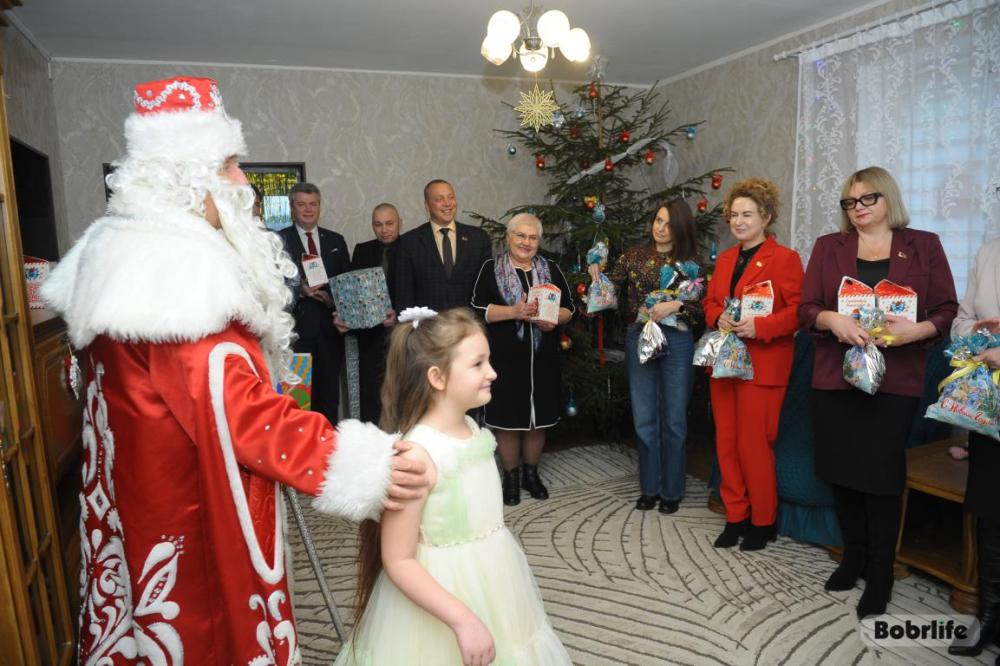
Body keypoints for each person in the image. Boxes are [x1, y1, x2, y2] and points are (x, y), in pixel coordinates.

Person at [39, 76, 427, 665]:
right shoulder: (174, 278)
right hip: (188, 510)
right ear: (187, 177)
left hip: (146, 494)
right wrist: (367, 463)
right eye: (229, 165)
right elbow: (241, 414)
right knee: (206, 631)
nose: (243, 181)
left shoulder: (123, 257)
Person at [335, 308, 572, 665]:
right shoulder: (418, 455)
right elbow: (398, 559)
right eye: (478, 364)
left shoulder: (473, 429)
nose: (492, 372)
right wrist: (462, 619)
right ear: (438, 377)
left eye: (488, 361)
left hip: (492, 579)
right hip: (441, 600)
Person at [799, 166, 957, 619]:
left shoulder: (923, 245)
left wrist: (916, 330)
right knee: (842, 471)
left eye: (868, 198)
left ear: (888, 198)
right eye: (850, 202)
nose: (859, 208)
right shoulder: (828, 246)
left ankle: (881, 572)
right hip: (835, 375)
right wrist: (832, 319)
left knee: (881, 477)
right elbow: (807, 308)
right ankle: (853, 557)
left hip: (897, 379)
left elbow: (947, 308)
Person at [703, 178, 804, 551]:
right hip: (724, 363)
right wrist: (718, 317)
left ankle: (763, 521)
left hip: (763, 366)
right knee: (726, 444)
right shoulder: (726, 259)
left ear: (766, 217)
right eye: (734, 215)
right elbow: (711, 303)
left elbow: (799, 312)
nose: (739, 221)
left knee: (753, 447)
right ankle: (735, 517)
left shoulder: (785, 259)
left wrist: (761, 326)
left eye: (747, 214)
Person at [593, 200, 704, 514]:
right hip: (639, 335)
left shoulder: (692, 262)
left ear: (681, 227)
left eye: (669, 223)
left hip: (677, 338)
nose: (661, 228)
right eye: (658, 220)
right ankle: (649, 488)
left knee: (674, 419)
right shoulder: (633, 255)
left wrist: (676, 305)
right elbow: (608, 291)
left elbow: (702, 307)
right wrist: (597, 274)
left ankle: (672, 490)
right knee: (644, 417)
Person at [471, 213, 575, 505]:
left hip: (544, 359)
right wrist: (513, 312)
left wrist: (554, 319)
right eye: (520, 235)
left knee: (538, 421)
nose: (526, 242)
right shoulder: (491, 268)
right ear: (509, 237)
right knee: (507, 420)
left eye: (532, 237)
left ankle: (532, 473)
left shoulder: (551, 269)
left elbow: (569, 309)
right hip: (504, 359)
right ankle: (511, 477)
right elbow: (478, 308)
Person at [947, 228, 1000, 659]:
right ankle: (989, 614)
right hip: (989, 403)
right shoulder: (988, 253)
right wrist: (977, 333)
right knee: (990, 510)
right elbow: (961, 321)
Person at [278, 182, 351, 424]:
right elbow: (272, 284)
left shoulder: (336, 240)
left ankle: (328, 445)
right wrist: (300, 290)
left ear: (319, 207)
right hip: (296, 334)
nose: (308, 210)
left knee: (329, 398)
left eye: (313, 204)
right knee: (297, 399)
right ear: (292, 208)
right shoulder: (279, 240)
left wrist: (331, 300)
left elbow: (345, 284)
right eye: (302, 204)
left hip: (330, 333)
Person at [394, 179, 492, 312]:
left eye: (451, 197)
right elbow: (404, 295)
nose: (447, 203)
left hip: (469, 321)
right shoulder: (409, 243)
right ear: (427, 206)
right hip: (429, 323)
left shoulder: (478, 238)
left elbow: (486, 289)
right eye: (439, 199)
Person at [348, 202, 402, 422]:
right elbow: (352, 291)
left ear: (399, 223)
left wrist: (399, 314)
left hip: (402, 334)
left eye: (389, 223)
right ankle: (371, 437)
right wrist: (346, 315)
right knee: (371, 395)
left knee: (401, 393)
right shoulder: (362, 250)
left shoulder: (412, 247)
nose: (384, 229)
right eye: (378, 224)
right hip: (370, 335)